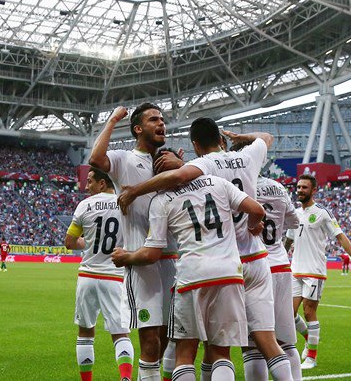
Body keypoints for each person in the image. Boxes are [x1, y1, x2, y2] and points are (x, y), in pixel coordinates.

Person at [118, 119, 292, 381]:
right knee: (261, 342)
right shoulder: (247, 157)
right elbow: (266, 137)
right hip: (251, 260)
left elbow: (178, 177)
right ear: (221, 140)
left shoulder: (202, 170)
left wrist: (133, 191)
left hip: (206, 266)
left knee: (189, 349)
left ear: (195, 146)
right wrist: (240, 135)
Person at [113, 174, 266, 381]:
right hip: (229, 274)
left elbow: (151, 254)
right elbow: (257, 210)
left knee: (185, 353)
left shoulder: (161, 200)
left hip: (191, 277)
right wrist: (251, 226)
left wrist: (126, 256)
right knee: (221, 353)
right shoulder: (217, 182)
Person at [88, 104, 181, 381]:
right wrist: (113, 119)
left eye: (162, 119)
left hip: (174, 260)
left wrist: (182, 165)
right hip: (142, 263)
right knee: (150, 341)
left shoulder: (171, 161)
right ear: (138, 129)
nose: (161, 123)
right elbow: (95, 158)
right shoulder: (124, 160)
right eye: (154, 119)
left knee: (167, 339)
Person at [285, 174, 351, 371]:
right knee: (288, 313)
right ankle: (308, 339)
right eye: (299, 187)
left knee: (309, 311)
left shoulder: (322, 213)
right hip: (295, 270)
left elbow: (340, 237)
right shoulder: (294, 213)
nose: (300, 190)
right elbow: (288, 241)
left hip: (315, 271)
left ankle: (312, 357)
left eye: (304, 187)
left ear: (314, 190)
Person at [64, 167, 134, 381]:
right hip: (114, 276)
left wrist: (89, 243)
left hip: (87, 277)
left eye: (91, 181)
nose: (87, 186)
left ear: (103, 183)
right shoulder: (125, 203)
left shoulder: (85, 205)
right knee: (120, 334)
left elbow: (69, 242)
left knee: (85, 333)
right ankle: (126, 377)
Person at [253, 172, 304, 381]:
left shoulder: (241, 183)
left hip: (256, 265)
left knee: (252, 346)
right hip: (281, 264)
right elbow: (293, 221)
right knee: (286, 341)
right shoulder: (278, 187)